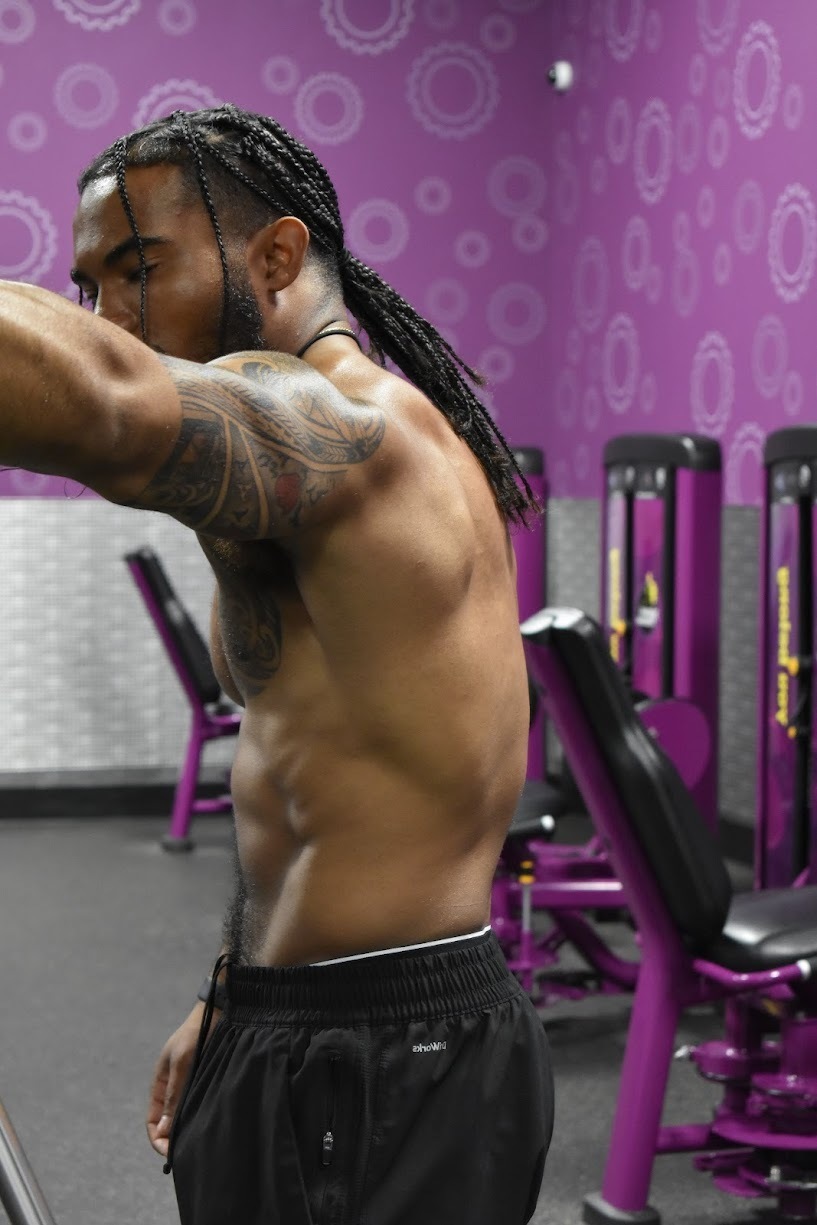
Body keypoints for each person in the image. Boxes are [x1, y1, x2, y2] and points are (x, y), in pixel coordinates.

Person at [1, 105, 553, 1224]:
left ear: (276, 257)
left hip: (382, 1048)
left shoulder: (353, 432)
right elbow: (297, 776)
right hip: (296, 1015)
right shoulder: (297, 483)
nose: (112, 315)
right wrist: (231, 987)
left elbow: (105, 404)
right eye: (90, 286)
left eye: (140, 268)